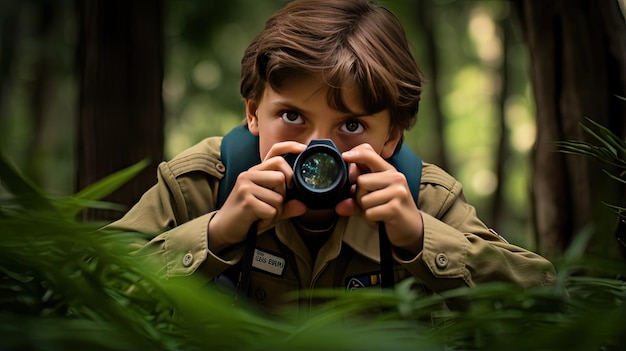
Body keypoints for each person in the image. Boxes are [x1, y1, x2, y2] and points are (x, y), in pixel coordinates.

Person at [109, 0, 555, 314]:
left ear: (392, 137)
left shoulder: (422, 199)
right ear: (253, 114)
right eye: (291, 116)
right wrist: (218, 231)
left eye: (352, 125)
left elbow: (547, 298)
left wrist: (419, 237)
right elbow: (75, 285)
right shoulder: (202, 184)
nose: (316, 148)